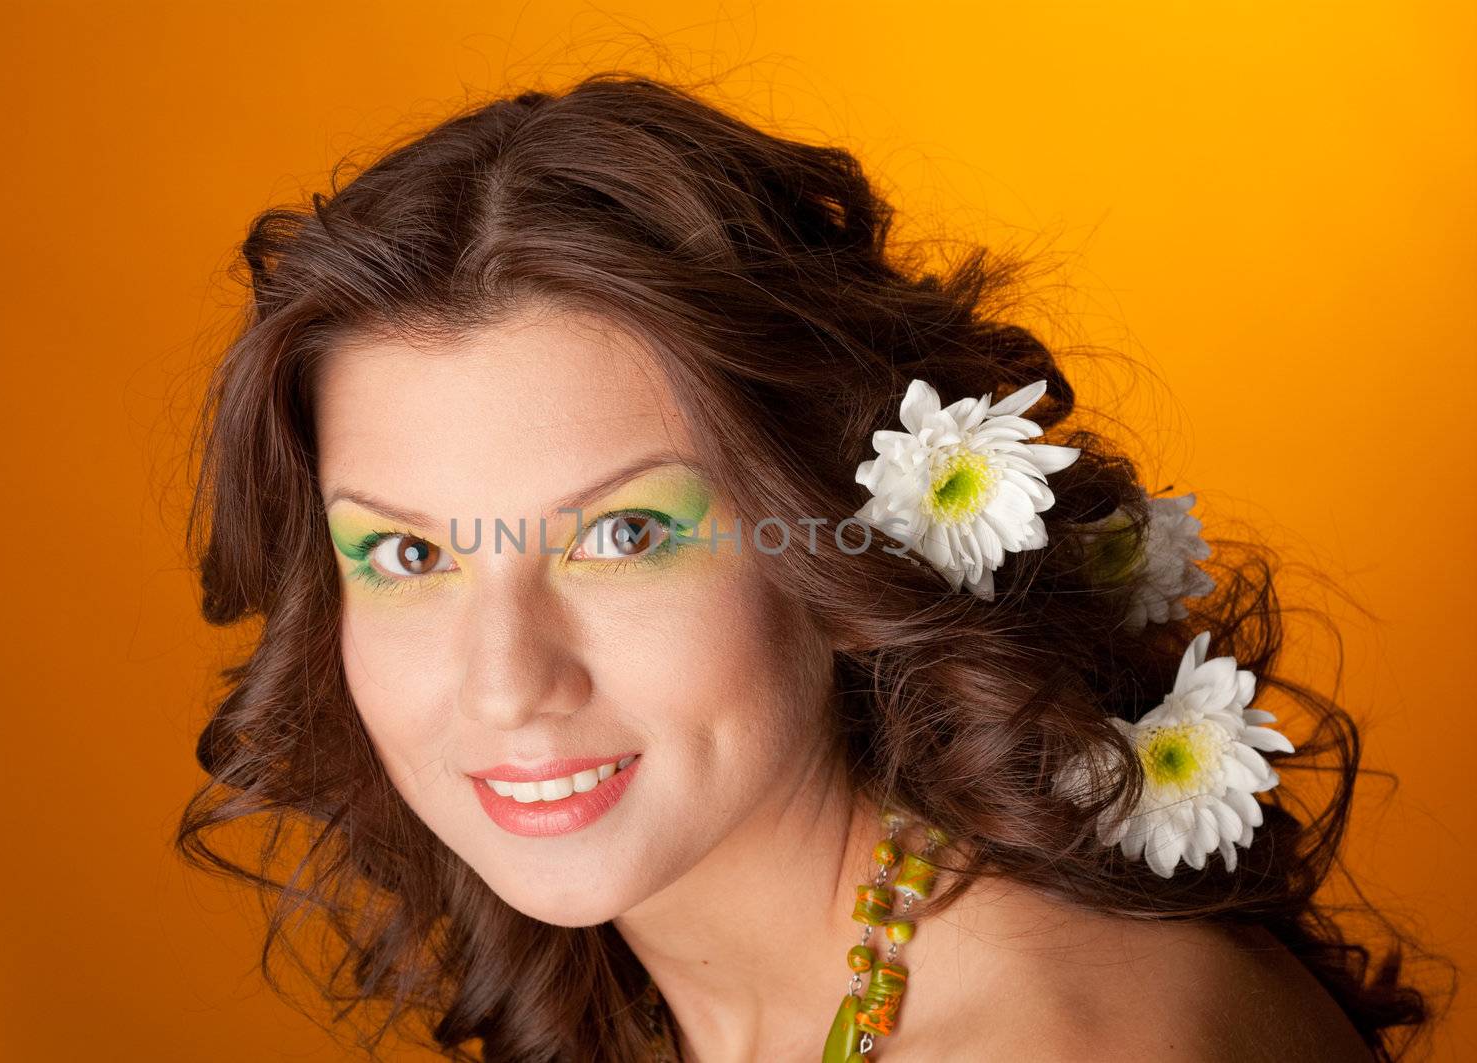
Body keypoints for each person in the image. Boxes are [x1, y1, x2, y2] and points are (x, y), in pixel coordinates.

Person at [177, 72, 1438, 1061]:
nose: (505, 684)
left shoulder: (1067, 1042)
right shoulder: (703, 994)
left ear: (848, 551)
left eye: (624, 535)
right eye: (407, 552)